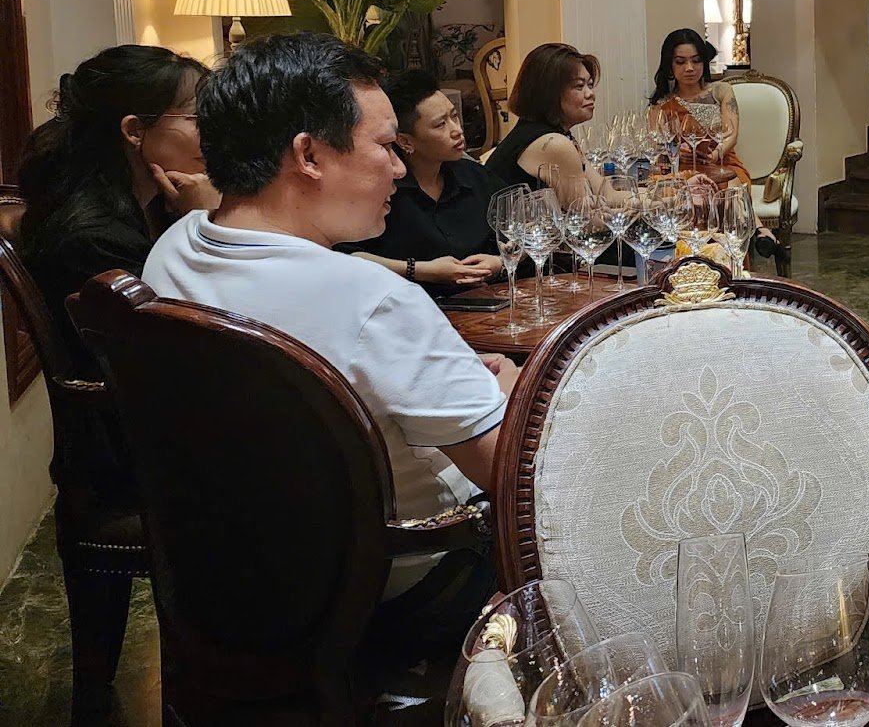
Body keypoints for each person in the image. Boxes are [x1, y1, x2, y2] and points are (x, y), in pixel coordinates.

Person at [142, 32, 517, 658]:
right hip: (392, 590)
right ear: (309, 155)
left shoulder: (173, 249)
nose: (399, 168)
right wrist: (511, 395)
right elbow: (511, 472)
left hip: (233, 580)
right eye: (385, 146)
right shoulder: (371, 299)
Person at [18, 45, 218, 354]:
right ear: (134, 130)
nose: (213, 133)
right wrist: (207, 221)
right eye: (197, 118)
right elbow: (193, 335)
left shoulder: (158, 205)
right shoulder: (94, 239)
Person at [339, 69, 505, 296]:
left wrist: (499, 261)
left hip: (487, 303)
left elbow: (526, 228)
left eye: (454, 116)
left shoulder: (474, 176)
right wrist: (421, 270)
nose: (457, 130)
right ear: (405, 141)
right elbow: (346, 257)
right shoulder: (381, 190)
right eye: (440, 125)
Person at [485, 42, 599, 192]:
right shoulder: (554, 144)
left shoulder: (555, 132)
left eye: (590, 85)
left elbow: (605, 192)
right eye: (579, 86)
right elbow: (583, 206)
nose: (590, 94)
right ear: (549, 92)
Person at [649, 28, 750, 187]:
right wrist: (678, 153)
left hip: (723, 164)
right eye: (680, 62)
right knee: (679, 191)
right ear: (670, 66)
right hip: (683, 170)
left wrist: (714, 155)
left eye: (696, 60)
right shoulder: (662, 104)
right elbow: (657, 147)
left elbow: (731, 135)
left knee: (727, 190)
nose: (689, 68)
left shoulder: (721, 91)